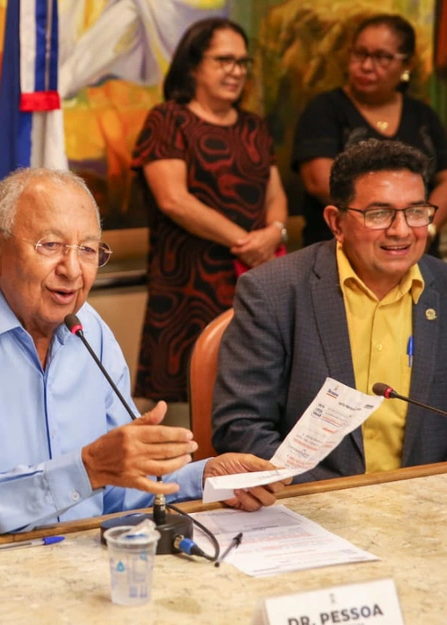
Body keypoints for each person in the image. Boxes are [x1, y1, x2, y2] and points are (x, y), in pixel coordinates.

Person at [0, 168, 288, 542]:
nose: (73, 270)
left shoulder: (91, 332)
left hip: (85, 569)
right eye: (51, 245)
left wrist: (205, 476)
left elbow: (120, 490)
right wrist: (85, 470)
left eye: (88, 250)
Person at [211, 140, 447, 483]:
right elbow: (241, 426)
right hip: (313, 507)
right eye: (379, 214)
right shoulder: (273, 293)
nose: (401, 230)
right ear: (336, 223)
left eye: (416, 212)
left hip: (428, 505)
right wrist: (334, 501)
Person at [130, 17, 288, 406]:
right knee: (189, 402)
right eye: (224, 60)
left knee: (256, 390)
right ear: (194, 65)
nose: (236, 71)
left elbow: (275, 194)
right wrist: (245, 242)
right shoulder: (168, 119)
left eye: (242, 62)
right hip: (188, 284)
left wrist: (276, 232)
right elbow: (173, 199)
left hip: (253, 280)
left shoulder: (253, 125)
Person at [292, 13, 447, 257]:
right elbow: (319, 181)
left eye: (382, 57)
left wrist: (425, 228)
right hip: (343, 255)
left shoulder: (422, 114)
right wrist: (383, 221)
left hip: (417, 256)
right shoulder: (325, 109)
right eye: (360, 54)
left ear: (407, 64)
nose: (367, 66)